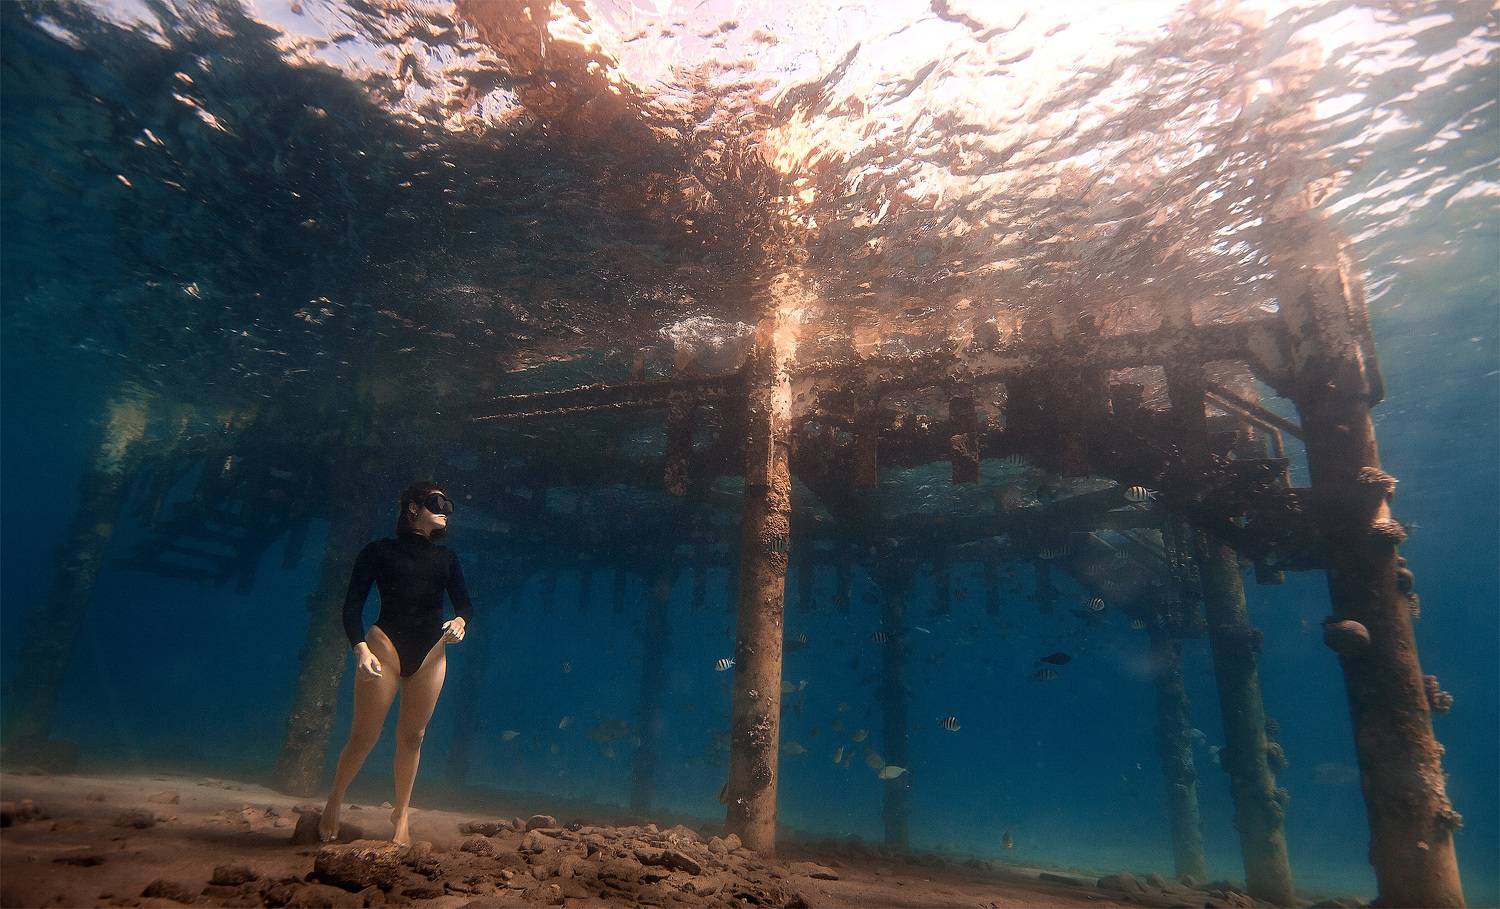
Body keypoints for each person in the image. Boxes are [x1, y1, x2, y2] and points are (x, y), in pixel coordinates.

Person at [317, 480, 472, 846]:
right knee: (364, 736)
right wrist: (360, 648)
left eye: (448, 503)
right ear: (413, 508)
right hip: (383, 647)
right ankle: (335, 799)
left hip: (431, 652)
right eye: (438, 502)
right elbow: (352, 605)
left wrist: (461, 622)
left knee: (413, 737)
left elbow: (464, 604)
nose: (446, 509)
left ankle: (401, 814)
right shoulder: (378, 551)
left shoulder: (446, 558)